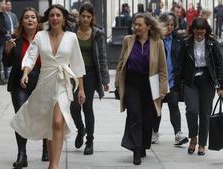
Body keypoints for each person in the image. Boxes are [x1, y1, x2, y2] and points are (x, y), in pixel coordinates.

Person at [10, 4, 86, 169]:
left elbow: (78, 64)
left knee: (58, 122)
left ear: (63, 18)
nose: (55, 18)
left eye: (58, 15)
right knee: (50, 125)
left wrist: (81, 89)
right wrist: (25, 73)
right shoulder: (40, 36)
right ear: (48, 18)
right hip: (45, 83)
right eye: (51, 15)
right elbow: (31, 56)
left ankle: (54, 166)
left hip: (63, 83)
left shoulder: (71, 37)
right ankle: (52, 162)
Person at [115, 13, 168, 165]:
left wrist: (163, 89)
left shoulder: (158, 43)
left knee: (148, 118)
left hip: (151, 83)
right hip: (132, 82)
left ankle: (143, 144)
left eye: (139, 25)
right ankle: (136, 150)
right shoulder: (128, 40)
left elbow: (163, 68)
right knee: (135, 115)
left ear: (148, 26)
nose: (136, 27)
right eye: (135, 25)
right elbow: (120, 64)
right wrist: (118, 84)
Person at [3, 7, 49, 168]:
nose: (30, 20)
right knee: (21, 117)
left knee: (44, 116)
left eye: (33, 17)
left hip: (41, 82)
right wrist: (8, 51)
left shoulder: (45, 38)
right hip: (19, 83)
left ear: (38, 21)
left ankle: (46, 148)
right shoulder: (16, 39)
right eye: (26, 17)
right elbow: (7, 63)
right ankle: (22, 154)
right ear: (22, 21)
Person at [175, 18, 223, 156]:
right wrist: (176, 86)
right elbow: (180, 66)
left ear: (206, 31)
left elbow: (219, 65)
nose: (199, 35)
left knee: (205, 114)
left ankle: (202, 144)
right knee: (192, 110)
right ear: (193, 31)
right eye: (197, 32)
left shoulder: (212, 44)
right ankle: (193, 137)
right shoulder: (186, 44)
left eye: (202, 32)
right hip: (191, 81)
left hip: (208, 81)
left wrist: (220, 85)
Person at [70, 2, 110, 155]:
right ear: (79, 16)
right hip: (73, 73)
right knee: (74, 107)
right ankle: (81, 129)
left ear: (93, 17)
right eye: (83, 16)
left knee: (87, 107)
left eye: (88, 16)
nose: (85, 19)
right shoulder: (72, 31)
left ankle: (90, 142)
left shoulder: (97, 33)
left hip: (91, 74)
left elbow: (102, 57)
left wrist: (105, 80)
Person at [151, 12, 188, 146]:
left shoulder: (178, 39)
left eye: (172, 25)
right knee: (157, 107)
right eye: (167, 24)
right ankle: (154, 132)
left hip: (173, 79)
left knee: (174, 105)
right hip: (157, 79)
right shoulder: (155, 39)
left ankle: (178, 134)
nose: (170, 27)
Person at [3, 0, 18, 82]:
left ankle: (13, 73)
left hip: (14, 37)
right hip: (6, 37)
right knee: (7, 55)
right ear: (5, 6)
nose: (10, 6)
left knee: (14, 55)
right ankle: (6, 75)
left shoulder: (13, 15)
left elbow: (16, 25)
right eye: (8, 5)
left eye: (10, 5)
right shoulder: (3, 15)